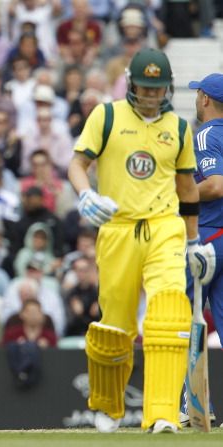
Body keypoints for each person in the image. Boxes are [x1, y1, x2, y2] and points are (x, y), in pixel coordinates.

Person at [67, 48, 215, 434]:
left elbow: (187, 188)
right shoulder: (107, 115)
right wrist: (86, 194)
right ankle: (107, 404)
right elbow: (77, 164)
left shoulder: (179, 128)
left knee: (169, 309)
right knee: (115, 328)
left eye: (158, 89)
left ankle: (163, 412)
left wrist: (194, 241)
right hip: (117, 228)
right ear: (132, 85)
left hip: (164, 227)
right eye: (145, 88)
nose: (151, 96)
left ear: (167, 88)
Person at [180, 73, 223, 426]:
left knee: (186, 320)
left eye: (197, 93)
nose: (196, 99)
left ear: (206, 99)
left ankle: (189, 406)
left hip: (207, 237)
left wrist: (174, 196)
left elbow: (214, 185)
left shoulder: (207, 134)